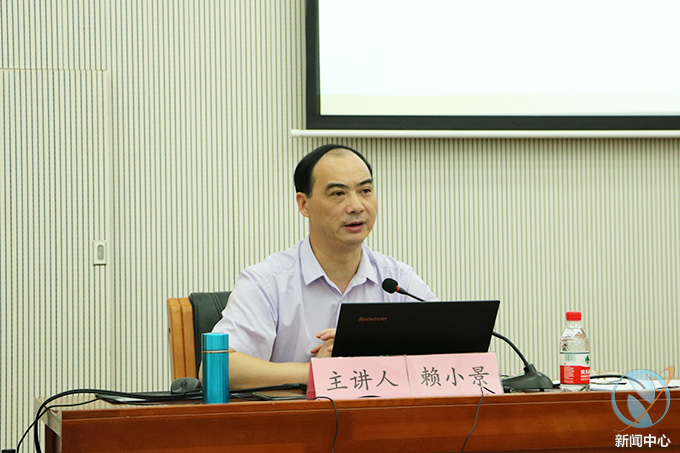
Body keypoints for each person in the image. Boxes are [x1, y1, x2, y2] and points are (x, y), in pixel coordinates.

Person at [211, 144, 436, 389]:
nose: (356, 206)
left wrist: (374, 352)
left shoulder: (398, 281)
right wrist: (319, 372)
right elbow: (218, 368)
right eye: (338, 193)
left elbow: (452, 352)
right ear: (304, 204)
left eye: (365, 190)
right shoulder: (267, 282)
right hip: (298, 413)